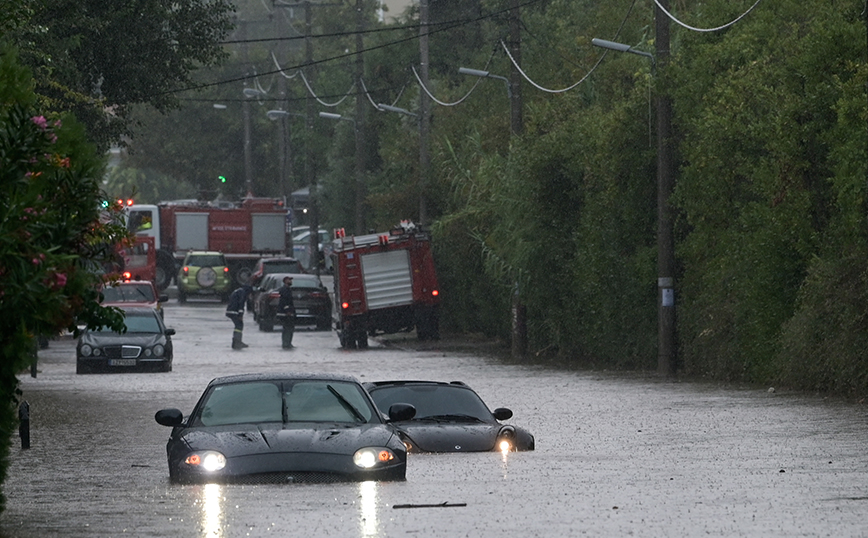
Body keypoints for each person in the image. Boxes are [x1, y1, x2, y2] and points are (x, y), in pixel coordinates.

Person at [226, 285, 252, 350]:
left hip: (230, 310)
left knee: (238, 326)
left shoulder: (238, 291)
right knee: (239, 326)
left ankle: (236, 341)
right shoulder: (243, 293)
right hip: (234, 312)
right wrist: (240, 315)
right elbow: (241, 304)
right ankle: (237, 342)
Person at [276, 276, 296, 349]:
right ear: (285, 281)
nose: (291, 281)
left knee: (289, 328)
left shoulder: (288, 289)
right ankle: (286, 343)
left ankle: (288, 343)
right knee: (287, 328)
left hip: (288, 312)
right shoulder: (285, 290)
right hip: (286, 313)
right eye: (289, 280)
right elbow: (285, 301)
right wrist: (288, 310)